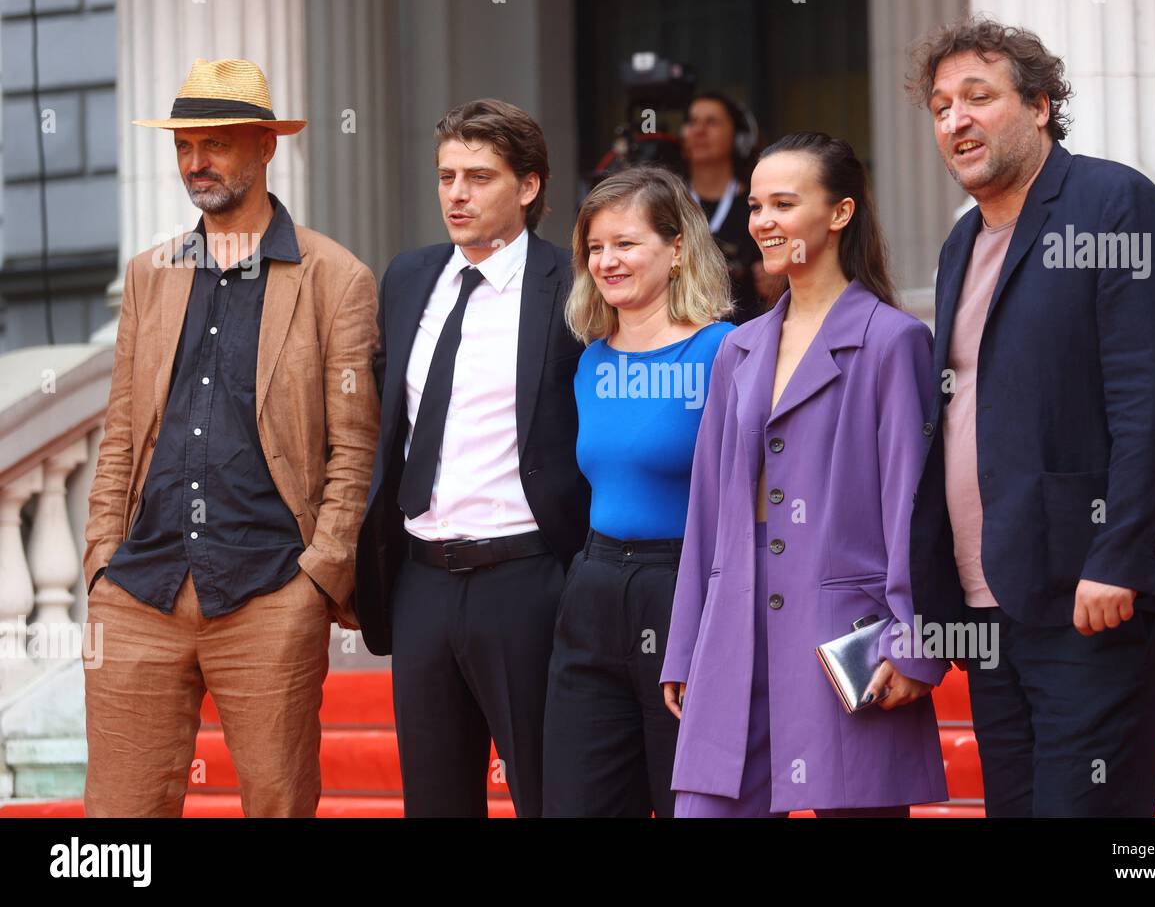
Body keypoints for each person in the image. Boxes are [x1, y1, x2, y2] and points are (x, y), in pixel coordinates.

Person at [906, 17, 1155, 817]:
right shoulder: (961, 242)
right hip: (988, 598)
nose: (955, 121)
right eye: (941, 108)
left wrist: (1119, 554)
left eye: (978, 98)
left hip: (1090, 591)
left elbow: (1151, 399)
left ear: (1040, 105)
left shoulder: (1115, 204)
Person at [81, 58, 380, 817]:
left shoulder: (335, 278)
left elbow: (355, 448)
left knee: (279, 805)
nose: (194, 162)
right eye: (184, 145)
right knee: (118, 822)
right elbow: (121, 429)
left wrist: (319, 578)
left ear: (265, 146)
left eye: (214, 143)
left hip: (270, 592)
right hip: (138, 590)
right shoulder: (151, 275)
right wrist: (99, 563)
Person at [660, 132, 950, 817]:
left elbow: (913, 508)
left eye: (784, 203)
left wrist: (913, 643)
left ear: (840, 212)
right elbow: (708, 509)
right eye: (757, 204)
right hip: (734, 627)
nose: (762, 221)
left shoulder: (892, 341)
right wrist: (684, 645)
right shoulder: (738, 347)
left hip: (845, 633)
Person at [353, 99, 590, 817]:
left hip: (527, 576)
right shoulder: (407, 277)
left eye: (479, 177)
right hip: (421, 578)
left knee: (547, 795)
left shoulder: (573, 284)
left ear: (528, 187)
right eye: (446, 175)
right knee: (435, 801)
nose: (456, 193)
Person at [543, 167, 734, 817]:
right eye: (595, 247)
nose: (606, 261)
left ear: (676, 247)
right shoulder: (591, 359)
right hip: (592, 587)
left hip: (682, 588)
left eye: (625, 243)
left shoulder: (724, 353)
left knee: (688, 802)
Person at [681, 92, 777, 322]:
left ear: (738, 138)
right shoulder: (665, 203)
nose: (699, 131)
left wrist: (781, 281)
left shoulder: (759, 205)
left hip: (745, 336)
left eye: (711, 122)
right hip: (678, 341)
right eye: (692, 122)